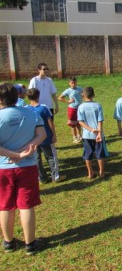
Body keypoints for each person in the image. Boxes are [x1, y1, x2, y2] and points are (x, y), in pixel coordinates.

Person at [0, 83, 46, 255]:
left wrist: (14, 154)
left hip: (3, 168)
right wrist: (23, 152)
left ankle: (8, 243)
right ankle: (30, 245)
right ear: (18, 96)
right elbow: (42, 134)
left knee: (5, 206)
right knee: (26, 205)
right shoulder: (31, 113)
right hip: (27, 166)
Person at [26, 88, 66, 183]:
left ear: (28, 97)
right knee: (51, 156)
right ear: (38, 96)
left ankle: (42, 178)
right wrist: (54, 134)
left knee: (37, 158)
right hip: (46, 137)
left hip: (33, 139)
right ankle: (56, 177)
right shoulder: (43, 108)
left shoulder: (26, 109)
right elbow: (50, 122)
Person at [78, 87, 109, 179]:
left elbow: (80, 121)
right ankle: (102, 173)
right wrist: (98, 132)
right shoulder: (97, 105)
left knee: (87, 154)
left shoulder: (81, 107)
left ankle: (90, 173)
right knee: (100, 154)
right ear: (93, 95)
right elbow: (100, 121)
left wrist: (90, 129)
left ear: (83, 95)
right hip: (98, 135)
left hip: (87, 135)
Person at [58, 77, 83, 143]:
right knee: (73, 124)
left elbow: (83, 95)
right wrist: (68, 101)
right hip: (72, 108)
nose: (73, 84)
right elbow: (60, 98)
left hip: (79, 108)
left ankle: (79, 135)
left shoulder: (79, 89)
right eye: (72, 83)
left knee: (79, 122)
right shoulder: (68, 90)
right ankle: (74, 137)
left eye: (75, 82)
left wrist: (83, 95)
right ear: (69, 83)